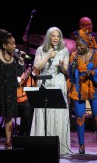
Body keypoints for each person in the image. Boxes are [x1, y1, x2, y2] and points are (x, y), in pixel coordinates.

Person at [30, 26, 71, 155]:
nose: (56, 38)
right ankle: (42, 144)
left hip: (58, 83)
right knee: (44, 111)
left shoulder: (64, 50)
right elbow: (37, 67)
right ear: (49, 37)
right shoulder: (40, 50)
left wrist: (62, 66)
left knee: (58, 112)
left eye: (58, 36)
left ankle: (59, 146)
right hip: (44, 82)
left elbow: (66, 71)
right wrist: (47, 56)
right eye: (53, 36)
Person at [68, 28, 97, 154]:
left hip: (94, 87)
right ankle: (81, 145)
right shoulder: (74, 55)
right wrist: (71, 66)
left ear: (87, 42)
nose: (78, 47)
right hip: (79, 88)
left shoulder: (96, 53)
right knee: (79, 117)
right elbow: (70, 74)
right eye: (77, 45)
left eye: (81, 44)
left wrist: (92, 72)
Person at [16, 64, 36, 136]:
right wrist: (21, 78)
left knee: (29, 107)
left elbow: (33, 91)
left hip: (24, 101)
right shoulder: (11, 74)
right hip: (13, 101)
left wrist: (32, 75)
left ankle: (25, 132)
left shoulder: (29, 79)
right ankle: (22, 132)